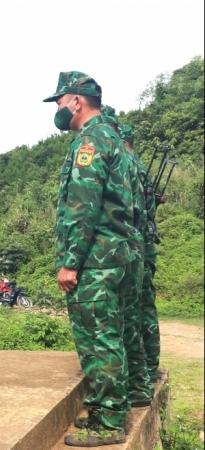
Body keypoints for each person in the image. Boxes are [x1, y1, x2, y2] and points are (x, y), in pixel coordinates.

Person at [46, 72, 137, 446]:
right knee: (110, 334)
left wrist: (71, 262)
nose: (57, 110)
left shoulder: (91, 141)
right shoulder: (113, 137)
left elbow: (84, 207)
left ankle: (111, 423)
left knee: (99, 339)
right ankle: (104, 407)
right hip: (115, 255)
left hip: (95, 260)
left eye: (59, 103)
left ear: (76, 102)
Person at [100, 106, 154, 407]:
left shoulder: (116, 157)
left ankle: (118, 402)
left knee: (122, 323)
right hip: (135, 247)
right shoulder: (131, 162)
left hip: (119, 249)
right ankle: (141, 384)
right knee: (134, 319)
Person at [120, 123, 161, 381]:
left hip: (137, 249)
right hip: (146, 247)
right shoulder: (141, 169)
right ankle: (150, 365)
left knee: (136, 310)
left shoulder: (129, 167)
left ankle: (140, 371)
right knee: (146, 307)